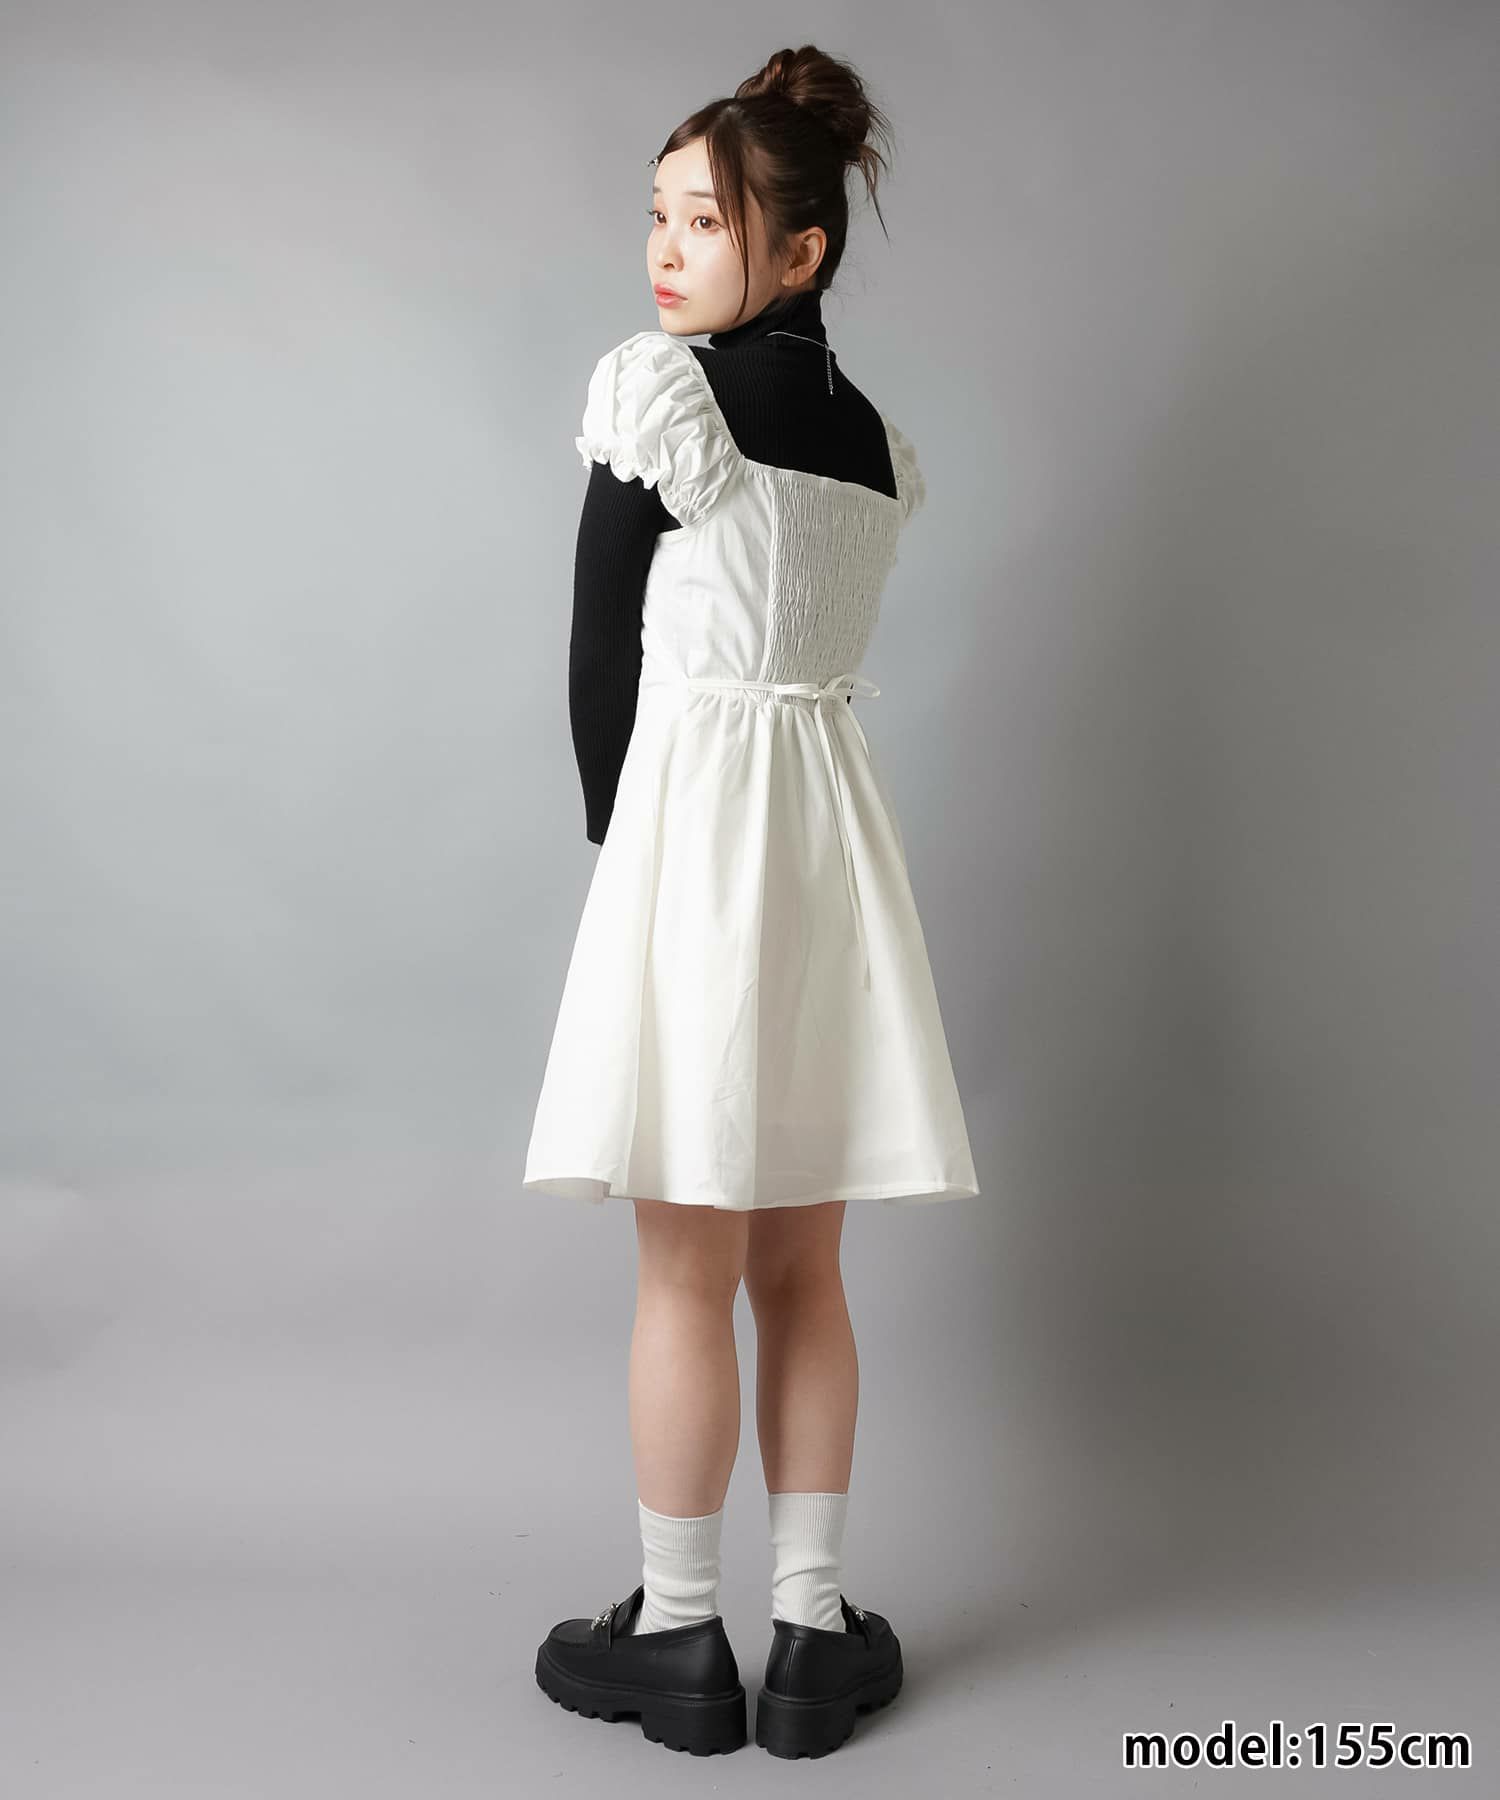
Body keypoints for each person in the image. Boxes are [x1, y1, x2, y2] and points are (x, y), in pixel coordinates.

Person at [525, 44, 980, 1759]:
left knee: (682, 1266)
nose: (664, 250)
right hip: (828, 838)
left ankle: (679, 1635)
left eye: (702, 222)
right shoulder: (870, 441)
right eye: (656, 215)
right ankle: (810, 1633)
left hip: (697, 830)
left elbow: (596, 654)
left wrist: (623, 849)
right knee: (804, 1262)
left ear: (798, 249)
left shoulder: (666, 395)